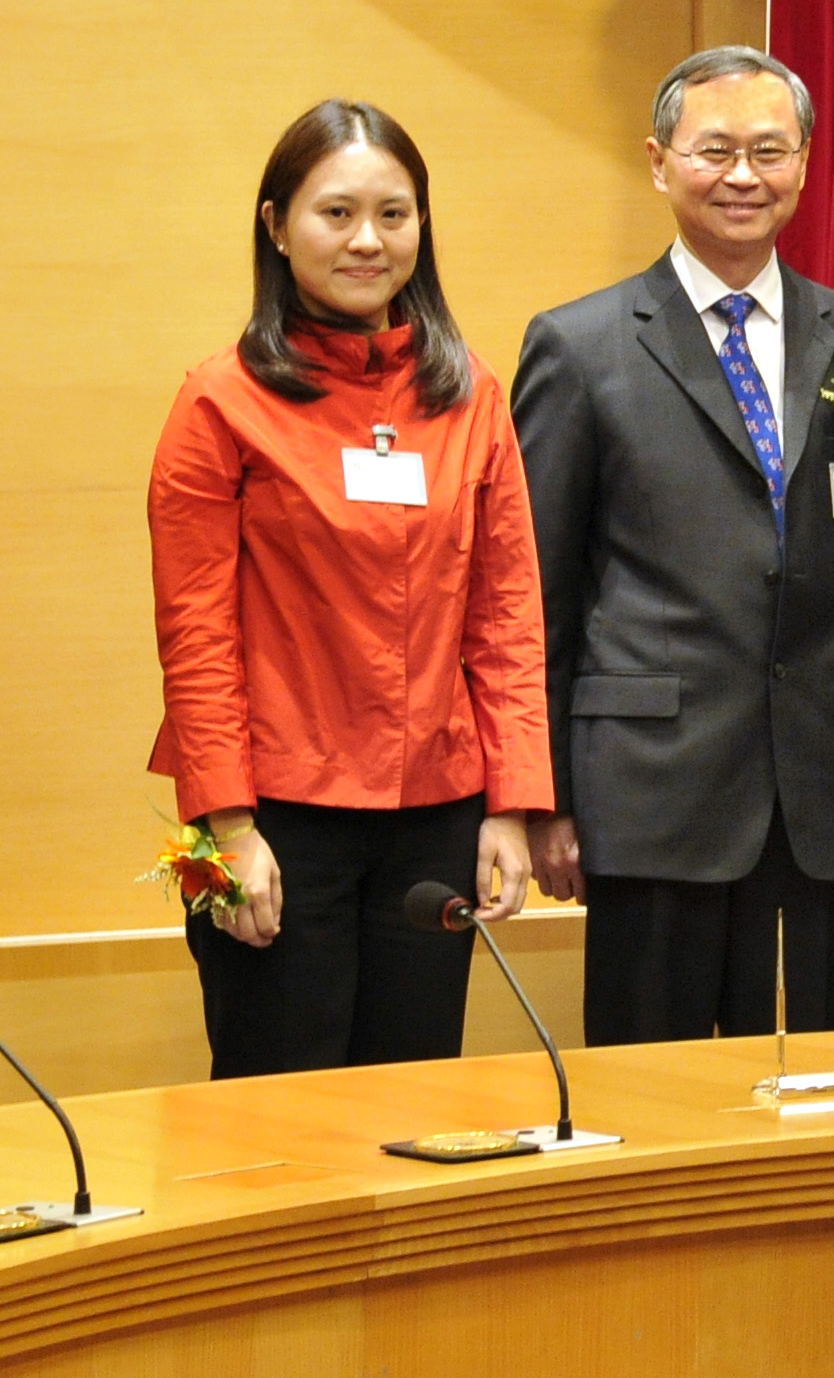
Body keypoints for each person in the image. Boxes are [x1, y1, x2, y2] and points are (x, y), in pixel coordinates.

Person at [515, 46, 834, 1047]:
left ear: (806, 163)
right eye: (716, 150)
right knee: (654, 1093)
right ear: (658, 163)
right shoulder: (580, 344)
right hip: (650, 789)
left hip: (818, 785)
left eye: (770, 151)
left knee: (803, 1088)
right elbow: (538, 595)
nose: (744, 176)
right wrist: (543, 797)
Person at [147, 99, 549, 1078]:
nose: (367, 240)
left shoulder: (471, 394)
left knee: (411, 1107)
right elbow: (195, 633)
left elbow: (507, 614)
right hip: (269, 819)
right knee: (276, 1120)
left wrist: (513, 806)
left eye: (394, 214)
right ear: (276, 226)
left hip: (436, 813)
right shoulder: (219, 400)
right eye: (336, 214)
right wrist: (228, 828)